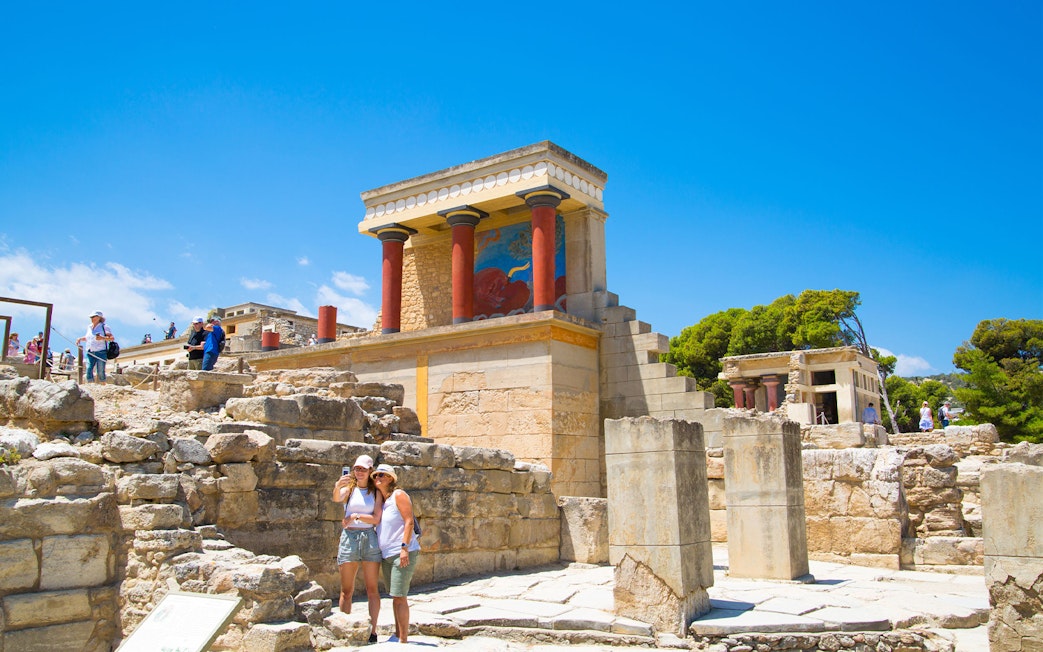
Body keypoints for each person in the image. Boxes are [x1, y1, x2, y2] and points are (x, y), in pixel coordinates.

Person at [331, 454, 383, 643]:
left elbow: (376, 518)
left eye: (363, 469)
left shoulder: (375, 491)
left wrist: (354, 517)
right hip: (350, 537)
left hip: (369, 537)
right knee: (346, 590)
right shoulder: (349, 489)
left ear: (370, 471)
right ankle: (344, 628)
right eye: (356, 468)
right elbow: (337, 499)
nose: (359, 472)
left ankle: (373, 631)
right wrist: (338, 485)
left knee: (372, 589)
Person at [373, 463, 421, 644]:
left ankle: (404, 639)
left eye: (382, 475)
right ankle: (398, 633)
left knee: (400, 596)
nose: (378, 478)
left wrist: (404, 548)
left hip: (401, 552)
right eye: (376, 475)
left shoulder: (398, 495)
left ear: (391, 478)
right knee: (395, 595)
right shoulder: (382, 501)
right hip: (387, 554)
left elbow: (409, 521)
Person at [75, 310, 114, 383]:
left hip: (101, 351)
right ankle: (91, 384)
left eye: (94, 317)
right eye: (91, 317)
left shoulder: (104, 327)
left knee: (100, 371)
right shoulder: (89, 327)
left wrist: (102, 338)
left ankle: (103, 384)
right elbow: (88, 338)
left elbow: (111, 338)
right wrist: (80, 338)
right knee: (89, 369)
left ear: (99, 317)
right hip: (90, 351)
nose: (92, 318)